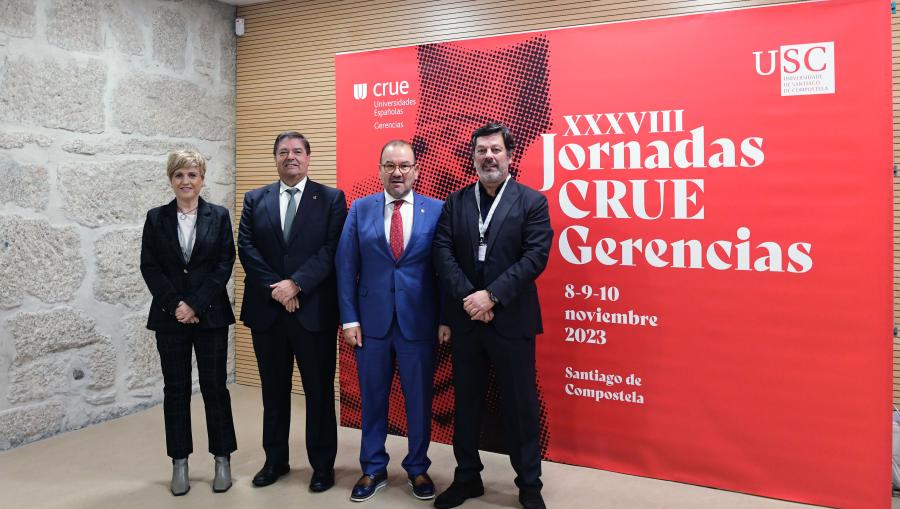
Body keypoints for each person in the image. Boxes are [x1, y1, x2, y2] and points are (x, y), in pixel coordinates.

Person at [432, 123, 553, 509]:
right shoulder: (455, 202)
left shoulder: (531, 202)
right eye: (481, 150)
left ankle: (529, 484)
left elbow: (535, 257)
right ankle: (467, 477)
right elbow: (442, 252)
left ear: (509, 155)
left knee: (520, 405)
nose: (488, 157)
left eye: (495, 150)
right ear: (473, 157)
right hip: (467, 319)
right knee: (465, 403)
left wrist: (492, 296)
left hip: (512, 320)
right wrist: (471, 297)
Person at [336, 140, 450, 502]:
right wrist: (349, 318)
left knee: (418, 400)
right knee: (373, 399)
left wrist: (446, 317)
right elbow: (345, 266)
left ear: (416, 169)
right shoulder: (360, 209)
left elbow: (446, 271)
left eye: (404, 165)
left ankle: (417, 467)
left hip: (420, 323)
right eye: (389, 165)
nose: (397, 172)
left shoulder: (437, 210)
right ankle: (372, 467)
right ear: (380, 169)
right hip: (371, 325)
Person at [237, 131, 346, 492]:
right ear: (275, 158)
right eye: (283, 152)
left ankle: (322, 466)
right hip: (268, 313)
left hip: (312, 311)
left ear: (308, 157)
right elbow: (247, 248)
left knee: (317, 392)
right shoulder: (256, 199)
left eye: (297, 151)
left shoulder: (331, 199)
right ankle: (275, 460)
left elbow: (332, 249)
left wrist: (296, 283)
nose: (290, 157)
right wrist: (277, 288)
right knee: (274, 391)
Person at [140, 150, 237, 496]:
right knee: (176, 390)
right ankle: (179, 461)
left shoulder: (219, 216)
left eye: (193, 174)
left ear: (202, 179)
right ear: (171, 179)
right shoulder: (155, 218)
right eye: (179, 175)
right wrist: (177, 305)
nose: (186, 181)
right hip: (170, 318)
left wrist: (195, 303)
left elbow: (225, 263)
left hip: (210, 316)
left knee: (215, 388)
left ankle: (222, 459)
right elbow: (150, 267)